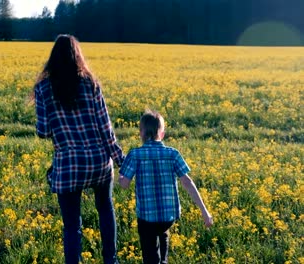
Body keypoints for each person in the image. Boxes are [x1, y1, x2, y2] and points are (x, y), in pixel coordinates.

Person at [34, 34, 124, 264]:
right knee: (105, 209)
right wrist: (121, 159)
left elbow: (43, 131)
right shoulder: (91, 83)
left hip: (69, 164)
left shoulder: (43, 88)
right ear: (77, 56)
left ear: (53, 58)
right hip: (98, 162)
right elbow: (106, 128)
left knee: (72, 225)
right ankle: (110, 260)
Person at [118, 110, 213, 264]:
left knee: (150, 255)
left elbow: (124, 185)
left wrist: (119, 176)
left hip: (146, 217)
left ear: (141, 133)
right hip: (167, 216)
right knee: (162, 233)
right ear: (162, 134)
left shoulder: (135, 155)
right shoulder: (173, 154)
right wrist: (204, 211)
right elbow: (188, 182)